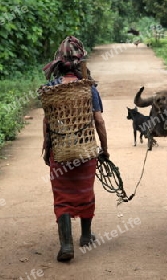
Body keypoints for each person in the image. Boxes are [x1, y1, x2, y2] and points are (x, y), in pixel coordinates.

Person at [41, 36, 109, 262]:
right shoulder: (89, 89)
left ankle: (67, 244)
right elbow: (98, 121)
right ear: (81, 63)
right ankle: (86, 236)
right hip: (86, 152)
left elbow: (47, 123)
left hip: (60, 153)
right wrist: (104, 150)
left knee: (62, 197)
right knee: (85, 193)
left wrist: (46, 147)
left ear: (58, 63)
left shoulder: (51, 88)